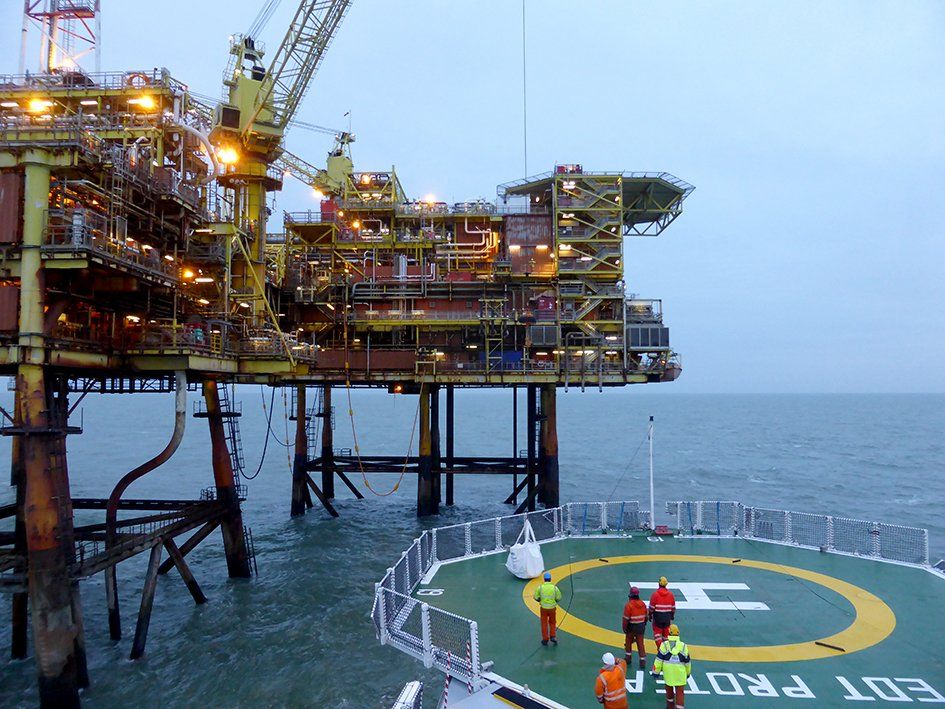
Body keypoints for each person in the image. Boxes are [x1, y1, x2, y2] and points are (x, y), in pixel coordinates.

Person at [652, 624, 691, 709]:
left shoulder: (664, 645)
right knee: (680, 693)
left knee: (669, 692)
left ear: (668, 633)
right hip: (680, 675)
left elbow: (658, 660)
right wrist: (688, 673)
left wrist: (656, 672)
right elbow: (687, 662)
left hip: (668, 674)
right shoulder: (683, 646)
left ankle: (670, 706)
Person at [648, 575, 676, 658]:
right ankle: (667, 650)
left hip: (658, 617)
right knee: (665, 635)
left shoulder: (655, 594)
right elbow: (673, 608)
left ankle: (661, 650)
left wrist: (650, 615)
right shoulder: (670, 595)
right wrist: (672, 616)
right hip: (667, 617)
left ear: (659, 584)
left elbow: (651, 607)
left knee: (657, 634)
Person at [533, 571, 562, 646]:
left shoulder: (540, 587)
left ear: (544, 579)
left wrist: (540, 600)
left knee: (544, 623)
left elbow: (535, 597)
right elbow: (559, 598)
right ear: (550, 579)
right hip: (552, 608)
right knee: (552, 622)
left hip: (543, 609)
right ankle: (553, 636)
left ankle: (545, 639)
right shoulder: (555, 588)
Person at [622, 585, 648, 668]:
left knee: (628, 642)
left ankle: (628, 658)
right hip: (641, 627)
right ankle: (642, 660)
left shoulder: (628, 605)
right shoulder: (643, 604)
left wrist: (625, 629)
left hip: (631, 627)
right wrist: (644, 624)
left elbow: (626, 619)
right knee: (640, 643)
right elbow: (646, 616)